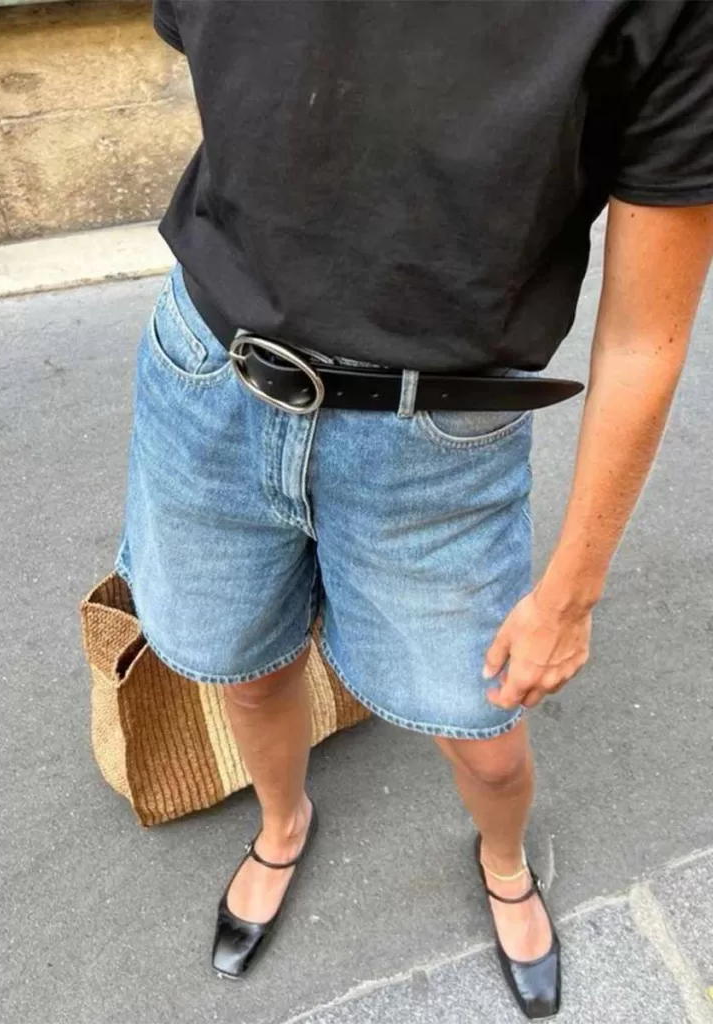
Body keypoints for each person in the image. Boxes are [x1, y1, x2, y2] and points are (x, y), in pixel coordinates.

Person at [116, 2, 713, 1017]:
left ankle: (506, 859)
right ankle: (283, 820)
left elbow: (644, 336)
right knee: (246, 671)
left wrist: (571, 587)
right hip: (209, 378)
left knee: (483, 728)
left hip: (437, 438)